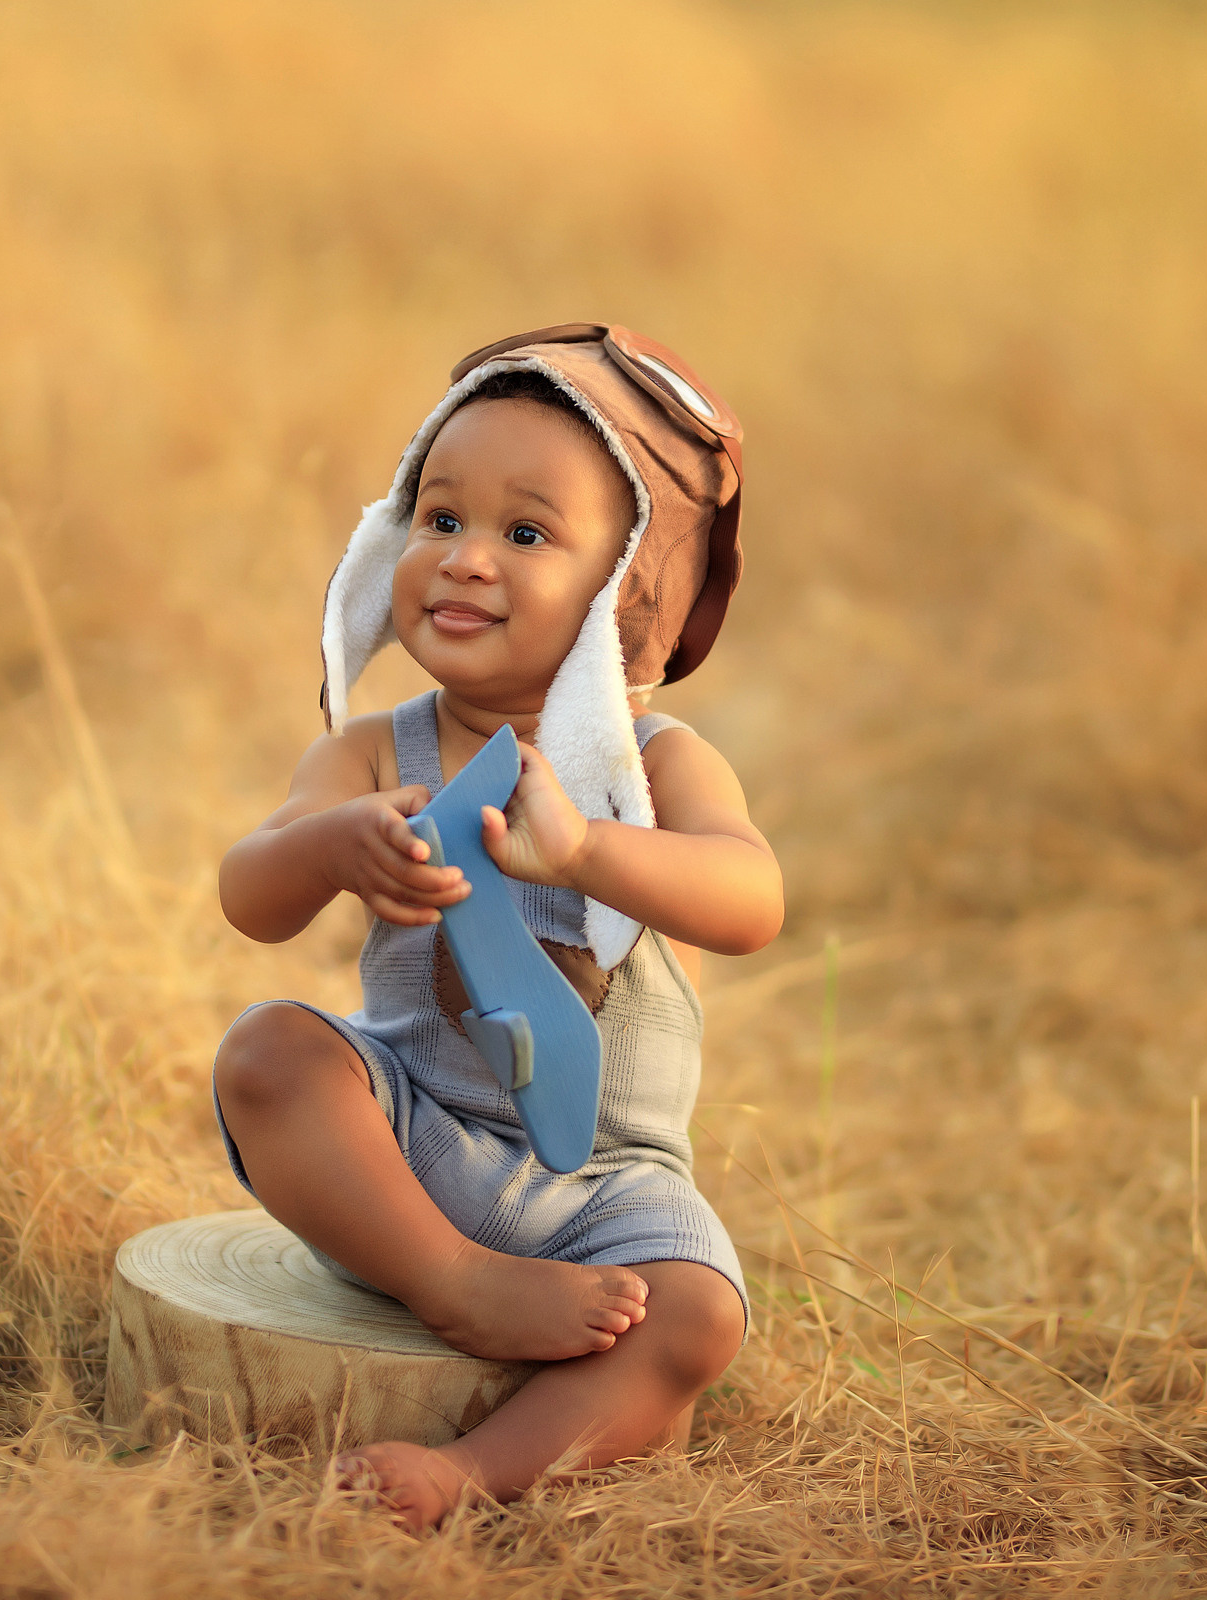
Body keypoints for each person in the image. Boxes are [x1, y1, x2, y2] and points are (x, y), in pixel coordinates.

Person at [214, 325, 784, 1531]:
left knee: (697, 1315)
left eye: (525, 534)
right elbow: (249, 896)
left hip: (601, 1185)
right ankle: (454, 1284)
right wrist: (334, 842)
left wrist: (585, 852)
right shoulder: (375, 750)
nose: (466, 560)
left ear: (623, 588)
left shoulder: (656, 765)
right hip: (409, 1146)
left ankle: (469, 1473)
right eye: (439, 517)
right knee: (269, 1052)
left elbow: (753, 902)